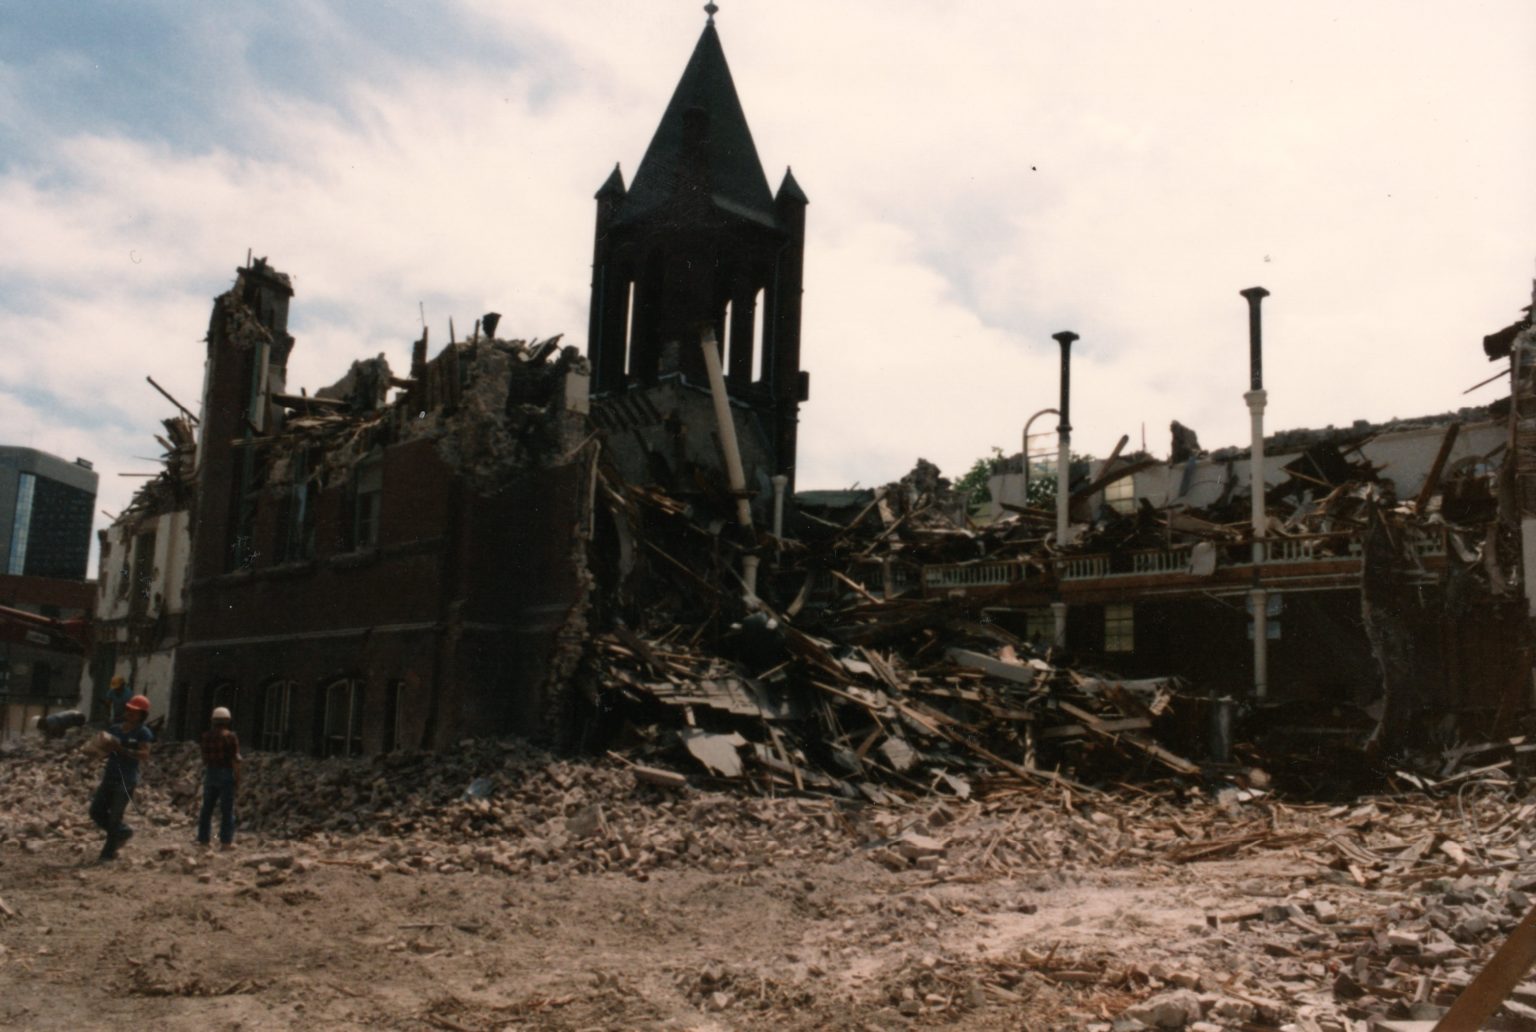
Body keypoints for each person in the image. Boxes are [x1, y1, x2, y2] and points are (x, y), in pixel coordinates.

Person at [89, 694, 153, 862]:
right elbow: (103, 749)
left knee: (115, 817)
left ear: (142, 715)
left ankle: (107, 854)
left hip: (126, 779)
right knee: (96, 811)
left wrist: (122, 749)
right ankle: (123, 832)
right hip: (110, 775)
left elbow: (145, 754)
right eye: (129, 710)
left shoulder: (142, 732)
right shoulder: (115, 729)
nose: (130, 713)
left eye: (134, 711)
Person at [196, 706, 242, 850]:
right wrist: (238, 778)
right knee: (227, 810)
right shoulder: (230, 736)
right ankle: (226, 842)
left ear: (213, 721)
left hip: (211, 773)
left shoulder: (206, 736)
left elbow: (204, 758)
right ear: (227, 721)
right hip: (226, 773)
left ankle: (204, 841)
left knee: (207, 808)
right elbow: (235, 759)